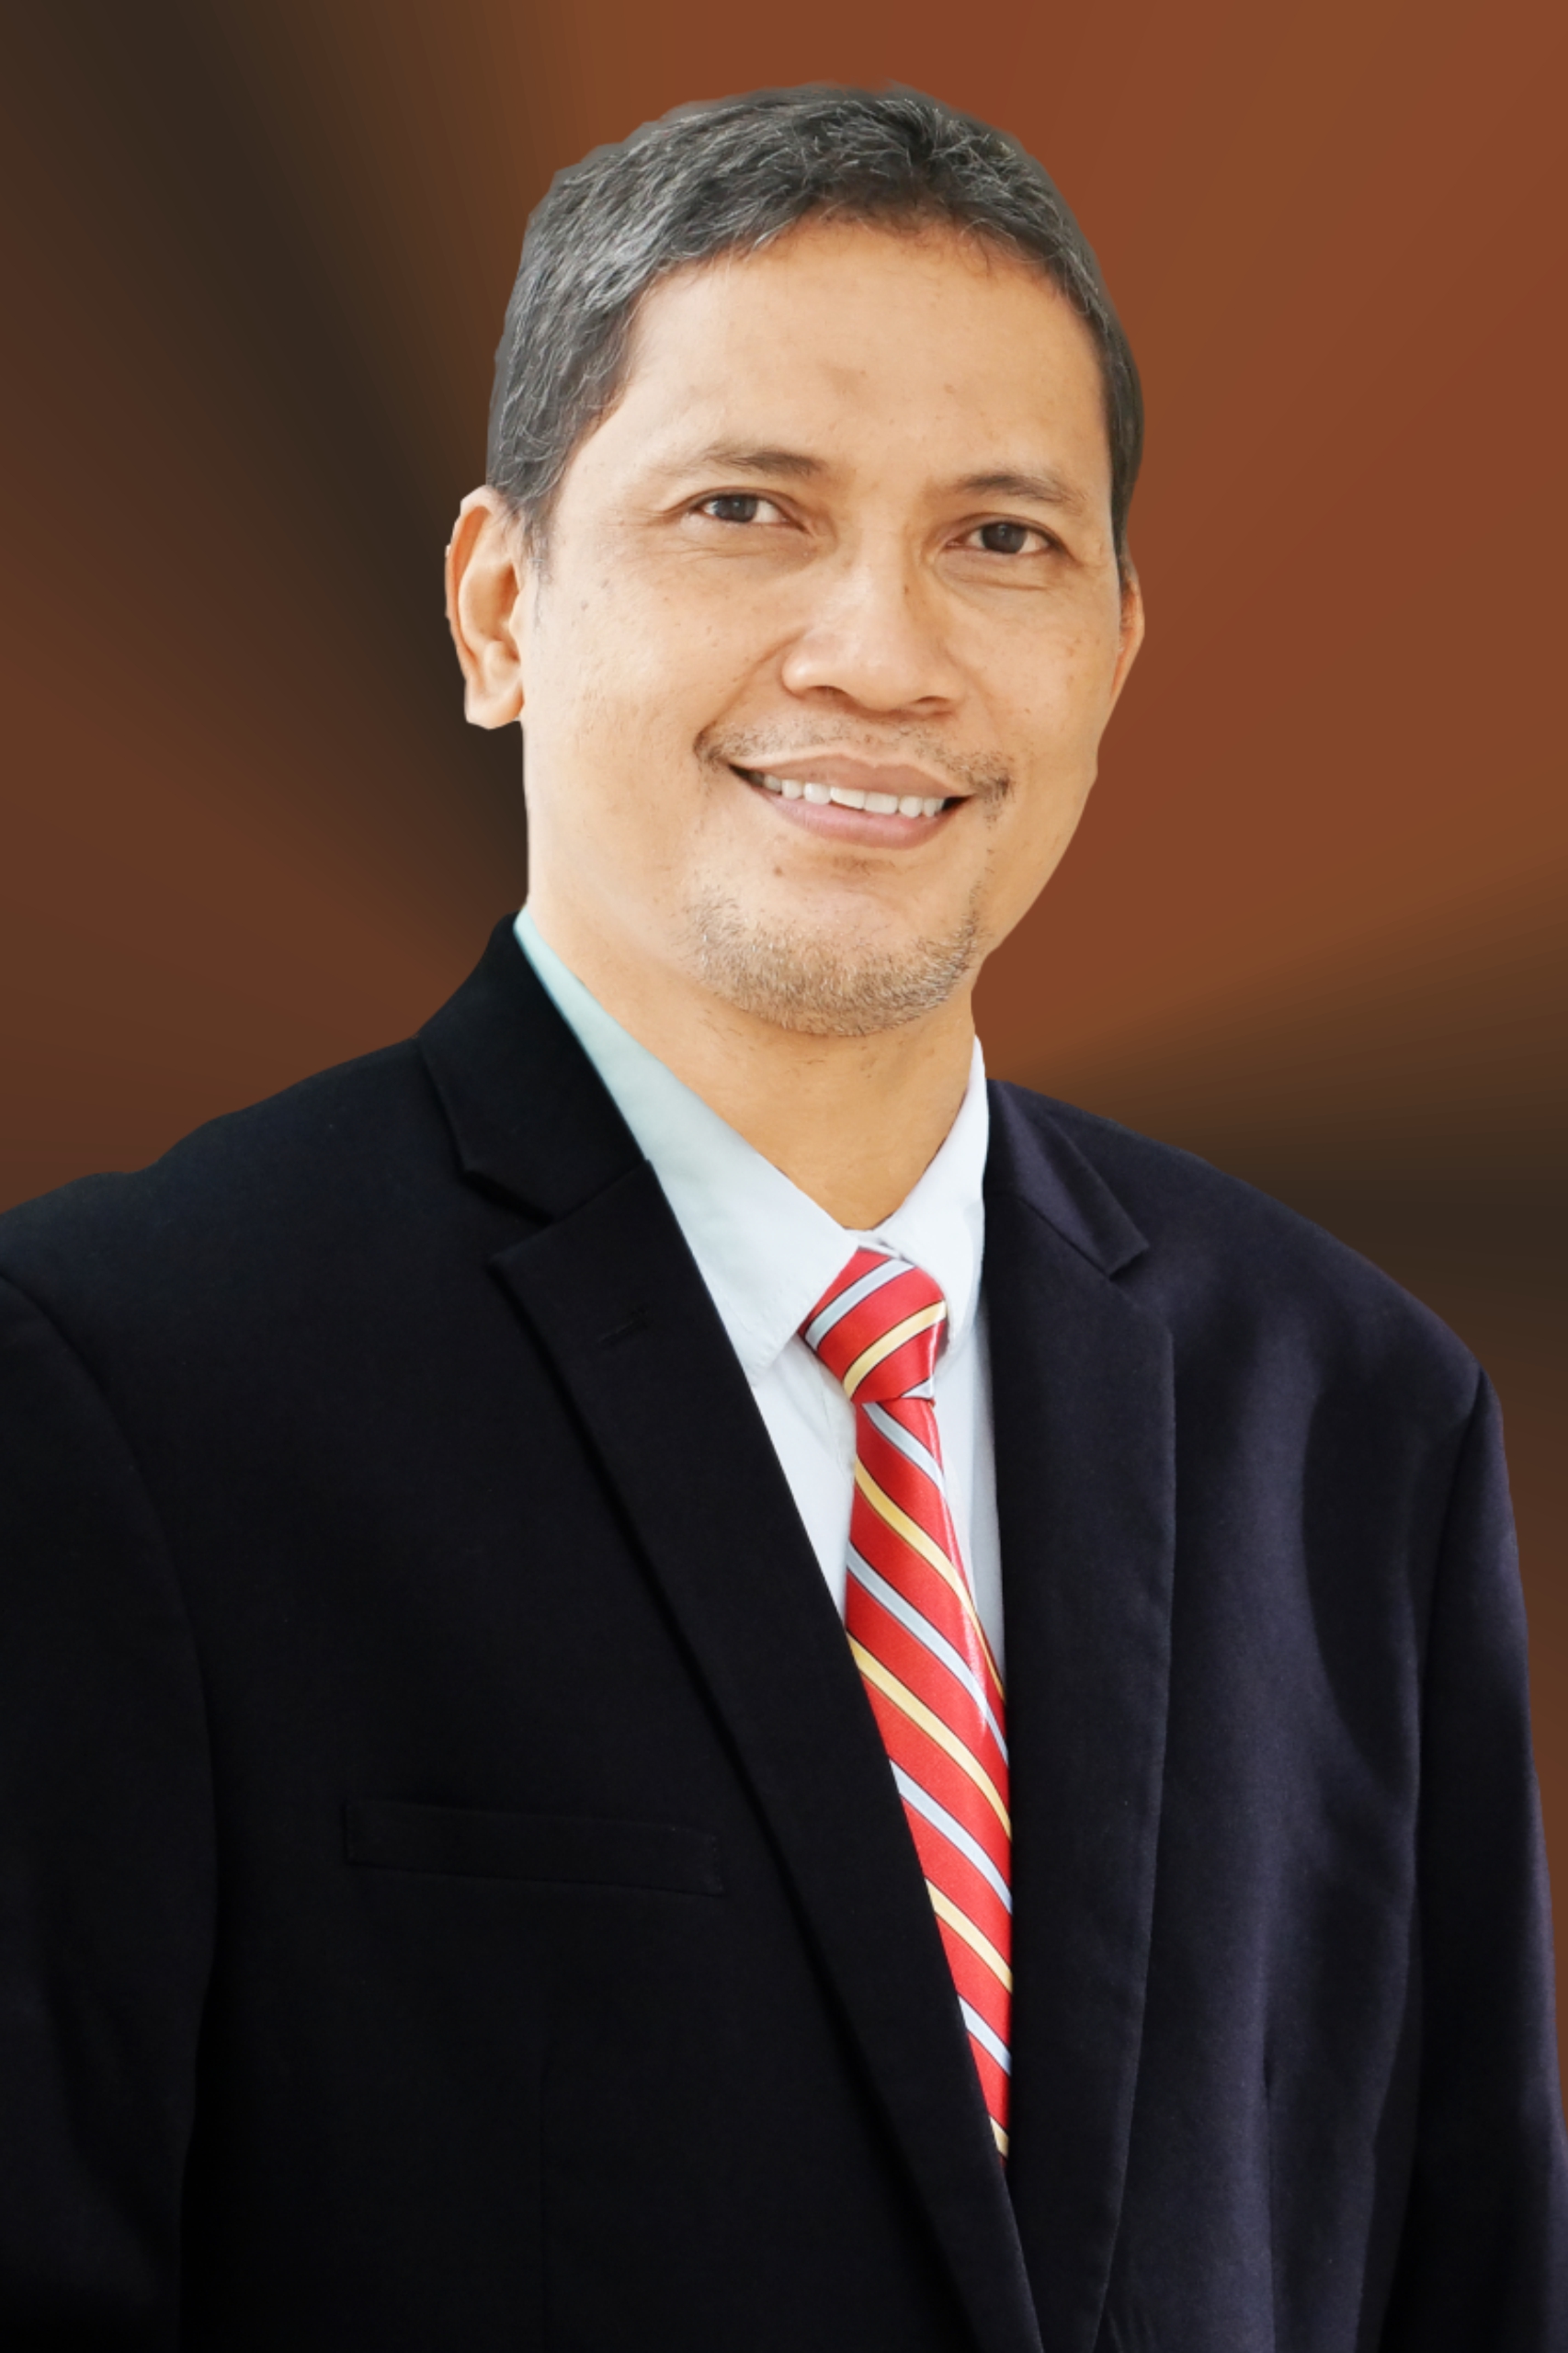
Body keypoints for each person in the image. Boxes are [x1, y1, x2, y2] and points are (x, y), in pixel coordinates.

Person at [1, 83, 1562, 2352]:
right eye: (746, 509)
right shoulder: (114, 1384)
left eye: (1000, 537)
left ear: (1117, 651)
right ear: (500, 604)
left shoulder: (1353, 1415)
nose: (880, 651)